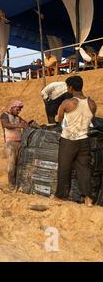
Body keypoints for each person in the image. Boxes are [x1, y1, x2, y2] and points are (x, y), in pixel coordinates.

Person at [53, 76, 97, 207]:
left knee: (64, 168)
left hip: (69, 140)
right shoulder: (92, 103)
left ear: (71, 88)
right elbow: (91, 120)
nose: (67, 89)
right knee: (84, 170)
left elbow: (59, 119)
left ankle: (61, 196)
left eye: (68, 87)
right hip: (84, 140)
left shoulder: (67, 103)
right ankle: (88, 199)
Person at [0, 100, 29, 190]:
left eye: (20, 110)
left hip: (20, 143)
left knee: (19, 164)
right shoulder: (5, 115)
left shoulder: (18, 117)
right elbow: (6, 125)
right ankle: (11, 184)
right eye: (17, 109)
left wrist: (28, 124)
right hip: (10, 143)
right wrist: (19, 126)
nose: (19, 111)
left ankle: (18, 183)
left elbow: (26, 124)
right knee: (12, 164)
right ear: (12, 107)